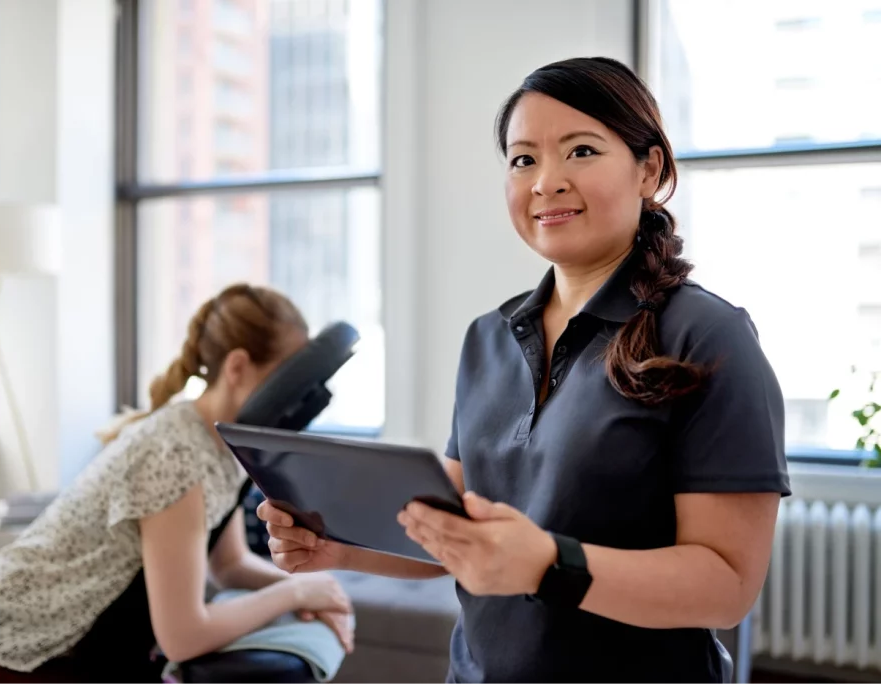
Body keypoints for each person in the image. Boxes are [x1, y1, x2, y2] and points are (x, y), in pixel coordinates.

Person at [257, 56, 791, 683]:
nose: (546, 182)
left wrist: (548, 564)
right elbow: (456, 539)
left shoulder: (708, 336)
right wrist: (338, 549)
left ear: (650, 170)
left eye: (582, 151)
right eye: (523, 159)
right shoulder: (488, 338)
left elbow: (726, 585)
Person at [0, 283, 355, 684]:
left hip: (80, 650)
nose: (296, 399)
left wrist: (316, 590)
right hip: (3, 655)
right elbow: (183, 636)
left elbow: (228, 565)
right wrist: (296, 595)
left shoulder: (221, 443)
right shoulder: (175, 453)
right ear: (237, 367)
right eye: (288, 380)